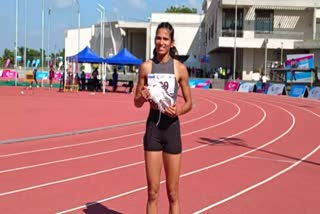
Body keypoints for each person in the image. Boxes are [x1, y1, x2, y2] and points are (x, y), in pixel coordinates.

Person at [134, 22, 192, 214]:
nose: (161, 42)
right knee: (152, 192)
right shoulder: (146, 67)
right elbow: (136, 102)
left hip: (172, 130)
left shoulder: (180, 69)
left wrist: (178, 111)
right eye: (158, 38)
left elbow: (189, 103)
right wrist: (142, 95)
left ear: (171, 42)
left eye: (165, 39)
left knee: (173, 193)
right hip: (153, 130)